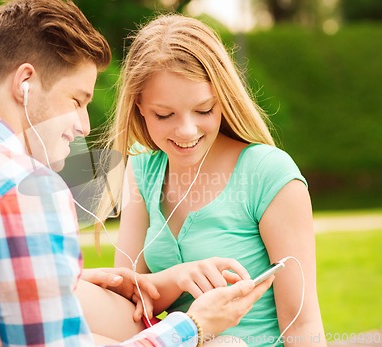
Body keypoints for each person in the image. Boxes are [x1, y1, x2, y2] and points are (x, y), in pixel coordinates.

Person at [0, 1, 274, 346]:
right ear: (25, 83)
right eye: (77, 100)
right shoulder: (28, 189)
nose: (85, 125)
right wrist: (194, 327)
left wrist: (73, 282)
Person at [92, 14, 327, 347]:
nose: (187, 131)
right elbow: (132, 300)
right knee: (79, 300)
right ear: (139, 106)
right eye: (165, 114)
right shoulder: (143, 169)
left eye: (203, 110)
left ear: (223, 98)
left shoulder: (267, 173)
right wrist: (179, 278)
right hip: (178, 339)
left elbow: (302, 320)